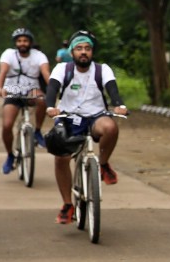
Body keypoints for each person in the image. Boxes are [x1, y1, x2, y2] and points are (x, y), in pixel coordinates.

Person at [44, 30, 128, 224]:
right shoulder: (62, 69)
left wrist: (119, 105)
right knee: (61, 159)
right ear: (72, 52)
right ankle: (67, 205)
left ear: (92, 52)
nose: (84, 52)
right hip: (68, 117)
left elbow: (112, 89)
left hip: (96, 116)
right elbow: (52, 88)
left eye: (87, 49)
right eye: (79, 48)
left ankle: (104, 164)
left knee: (111, 128)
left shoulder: (102, 69)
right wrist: (50, 107)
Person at [0, 28, 50, 174]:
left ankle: (37, 131)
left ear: (30, 43)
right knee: (7, 125)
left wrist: (53, 88)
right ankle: (10, 155)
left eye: (25, 40)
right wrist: (0, 87)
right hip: (12, 91)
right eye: (19, 41)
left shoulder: (39, 56)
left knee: (42, 100)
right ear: (15, 43)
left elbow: (46, 74)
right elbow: (3, 71)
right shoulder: (8, 54)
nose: (22, 43)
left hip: (31, 90)